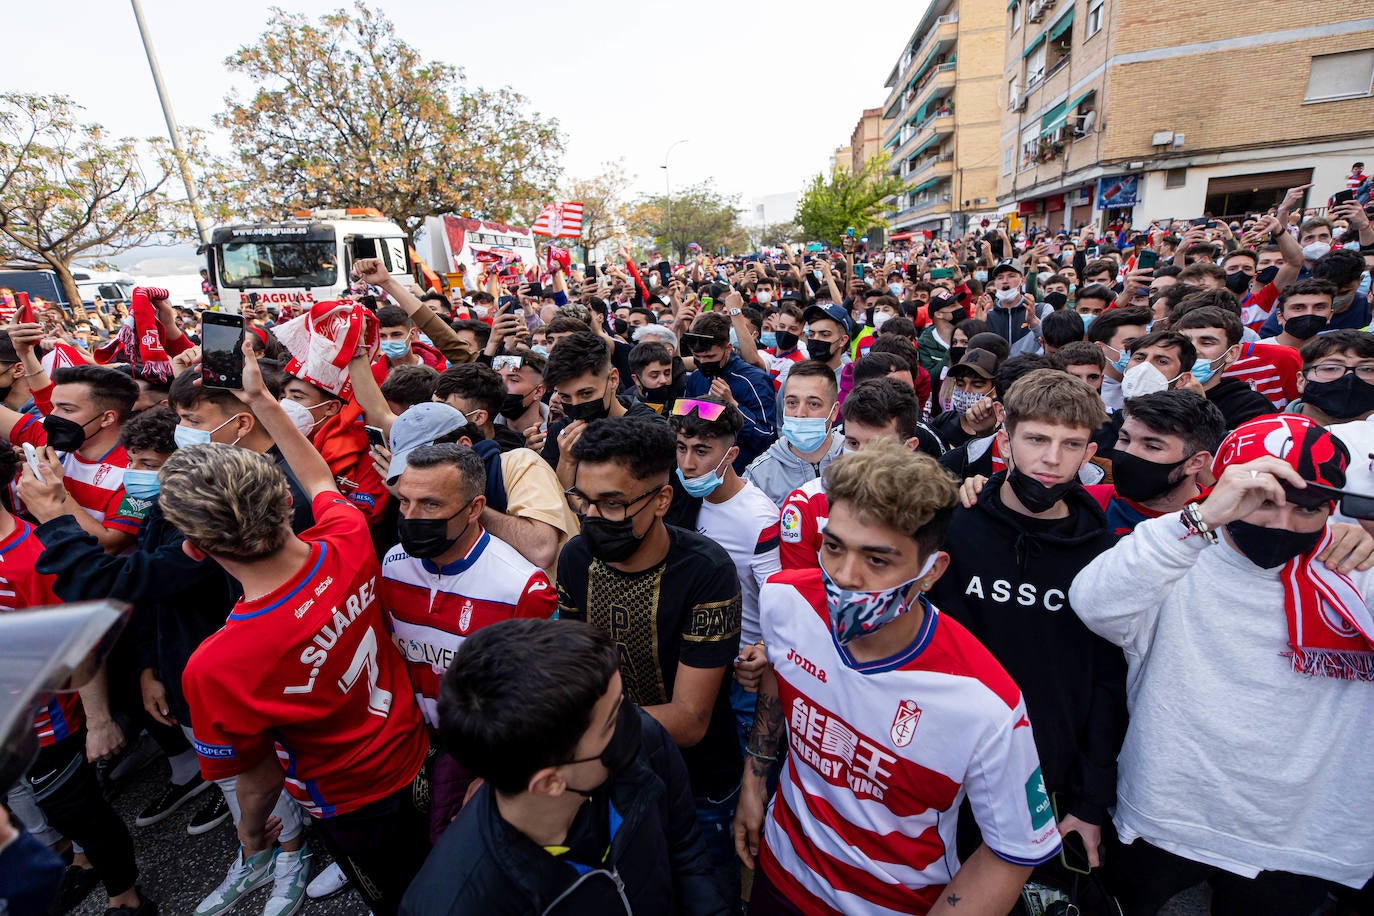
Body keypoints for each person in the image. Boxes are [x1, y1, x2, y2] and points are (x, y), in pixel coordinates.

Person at [734, 442, 1061, 914]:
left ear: (931, 572)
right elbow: (779, 676)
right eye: (833, 547)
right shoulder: (786, 600)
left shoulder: (984, 701)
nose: (845, 576)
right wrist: (754, 779)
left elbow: (1011, 853)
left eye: (878, 560)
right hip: (780, 875)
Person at [1069, 414, 1374, 914]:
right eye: (1261, 500)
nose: (1282, 523)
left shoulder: (1354, 570)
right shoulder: (1172, 552)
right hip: (1166, 817)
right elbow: (1095, 604)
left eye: (1309, 508)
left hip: (1298, 837)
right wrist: (1199, 520)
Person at [165, 342, 431, 916]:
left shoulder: (217, 664)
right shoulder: (347, 539)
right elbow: (316, 474)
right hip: (415, 747)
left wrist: (253, 832)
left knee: (399, 895)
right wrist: (260, 399)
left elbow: (254, 780)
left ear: (194, 547)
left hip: (351, 799)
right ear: (285, 501)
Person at [931, 371, 1125, 888]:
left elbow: (1108, 684)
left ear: (1089, 452)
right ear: (1006, 441)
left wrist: (1089, 801)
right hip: (938, 763)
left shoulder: (1105, 556)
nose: (1052, 459)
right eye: (1037, 439)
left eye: (1071, 444)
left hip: (1044, 778)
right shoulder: (953, 525)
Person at [400, 619, 730, 916]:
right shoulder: (454, 903)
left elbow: (686, 849)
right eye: (613, 720)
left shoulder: (645, 744)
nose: (635, 720)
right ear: (549, 783)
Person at [555, 417, 745, 907]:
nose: (594, 516)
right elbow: (572, 668)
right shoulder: (576, 558)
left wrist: (566, 734)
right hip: (606, 779)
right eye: (586, 501)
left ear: (661, 500)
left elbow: (688, 721)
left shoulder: (706, 572)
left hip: (697, 786)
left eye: (614, 504)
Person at [1, 444, 156, 916]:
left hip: (46, 720)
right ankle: (84, 861)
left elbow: (80, 640)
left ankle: (125, 898)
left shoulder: (29, 558)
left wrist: (99, 721)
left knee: (78, 810)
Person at [382, 441, 557, 836]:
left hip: (481, 755)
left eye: (430, 505)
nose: (411, 517)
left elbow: (533, 703)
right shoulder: (393, 565)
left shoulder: (522, 588)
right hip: (413, 746)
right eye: (405, 502)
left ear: (475, 508)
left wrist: (496, 775)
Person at [669, 398, 782, 748]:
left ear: (731, 455)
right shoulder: (673, 497)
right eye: (682, 448)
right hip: (685, 663)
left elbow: (779, 601)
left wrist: (764, 649)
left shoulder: (759, 519)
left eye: (702, 451)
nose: (688, 464)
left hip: (739, 676)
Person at [779, 377, 938, 572]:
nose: (860, 457)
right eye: (853, 443)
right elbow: (801, 593)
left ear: (909, 448)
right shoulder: (805, 505)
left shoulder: (930, 508)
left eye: (875, 446)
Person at [0, 363, 141, 553]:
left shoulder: (138, 470)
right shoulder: (51, 437)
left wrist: (56, 488)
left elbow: (108, 545)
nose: (51, 417)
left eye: (67, 410)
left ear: (107, 418)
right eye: (53, 406)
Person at [1094, 390, 1227, 535]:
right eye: (1125, 440)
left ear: (1195, 462)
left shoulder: (1225, 526)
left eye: (1152, 447)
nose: (1129, 453)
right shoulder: (1086, 504)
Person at [681, 308, 777, 470]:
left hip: (742, 472)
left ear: (728, 348)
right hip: (700, 470)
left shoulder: (754, 380)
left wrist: (732, 405)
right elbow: (684, 421)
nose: (703, 362)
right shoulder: (697, 377)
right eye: (697, 357)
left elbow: (767, 438)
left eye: (710, 357)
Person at [743, 360, 844, 507]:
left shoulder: (855, 460)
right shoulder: (759, 475)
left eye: (813, 404)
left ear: (834, 411)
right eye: (792, 403)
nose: (800, 413)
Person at [1172, 306, 1277, 429]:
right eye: (1184, 342)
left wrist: (1199, 406)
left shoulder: (1252, 405)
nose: (1193, 350)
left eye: (1206, 343)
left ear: (1231, 354)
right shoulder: (1155, 389)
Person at [1287, 329, 1374, 426]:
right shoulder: (1271, 436)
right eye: (1330, 368)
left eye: (1367, 369)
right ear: (1301, 381)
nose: (1349, 378)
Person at [1087, 305, 1151, 412]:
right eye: (1131, 342)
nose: (1141, 350)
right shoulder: (1084, 391)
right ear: (1100, 348)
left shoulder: (1154, 388)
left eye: (1145, 342)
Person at [372, 305, 447, 384]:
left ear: (412, 333)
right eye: (382, 336)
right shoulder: (372, 375)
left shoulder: (441, 369)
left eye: (396, 334)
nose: (389, 341)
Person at [1262, 279, 1336, 352]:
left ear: (1330, 315)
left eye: (1319, 308)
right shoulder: (1256, 351)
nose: (1309, 313)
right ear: (1280, 316)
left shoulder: (1337, 353)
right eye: (1298, 308)